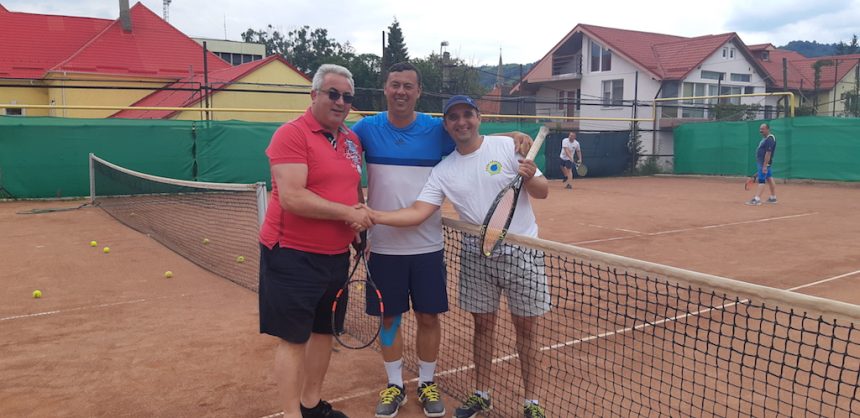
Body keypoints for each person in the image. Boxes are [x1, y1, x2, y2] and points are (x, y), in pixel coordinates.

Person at [351, 62, 533, 418]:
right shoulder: (366, 129)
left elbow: (473, 137)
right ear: (385, 88)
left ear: (419, 92)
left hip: (428, 246)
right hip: (383, 246)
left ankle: (427, 382)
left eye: (408, 86)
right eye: (395, 84)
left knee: (428, 317)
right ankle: (394, 384)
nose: (401, 91)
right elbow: (342, 157)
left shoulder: (436, 129)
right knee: (389, 320)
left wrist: (512, 134)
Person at [258, 64, 371, 418]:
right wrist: (347, 213)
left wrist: (357, 228)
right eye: (333, 94)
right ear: (314, 94)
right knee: (294, 339)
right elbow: (293, 197)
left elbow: (352, 187)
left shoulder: (351, 140)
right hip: (292, 255)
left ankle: (311, 405)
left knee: (324, 332)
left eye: (347, 97)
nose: (340, 102)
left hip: (336, 256)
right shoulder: (291, 134)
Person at [746, 123, 778, 206]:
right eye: (760, 129)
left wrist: (764, 166)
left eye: (763, 129)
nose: (761, 131)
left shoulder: (770, 139)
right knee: (769, 178)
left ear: (768, 129)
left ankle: (757, 199)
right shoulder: (765, 139)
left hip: (764, 162)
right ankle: (773, 197)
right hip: (763, 163)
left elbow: (768, 153)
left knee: (761, 180)